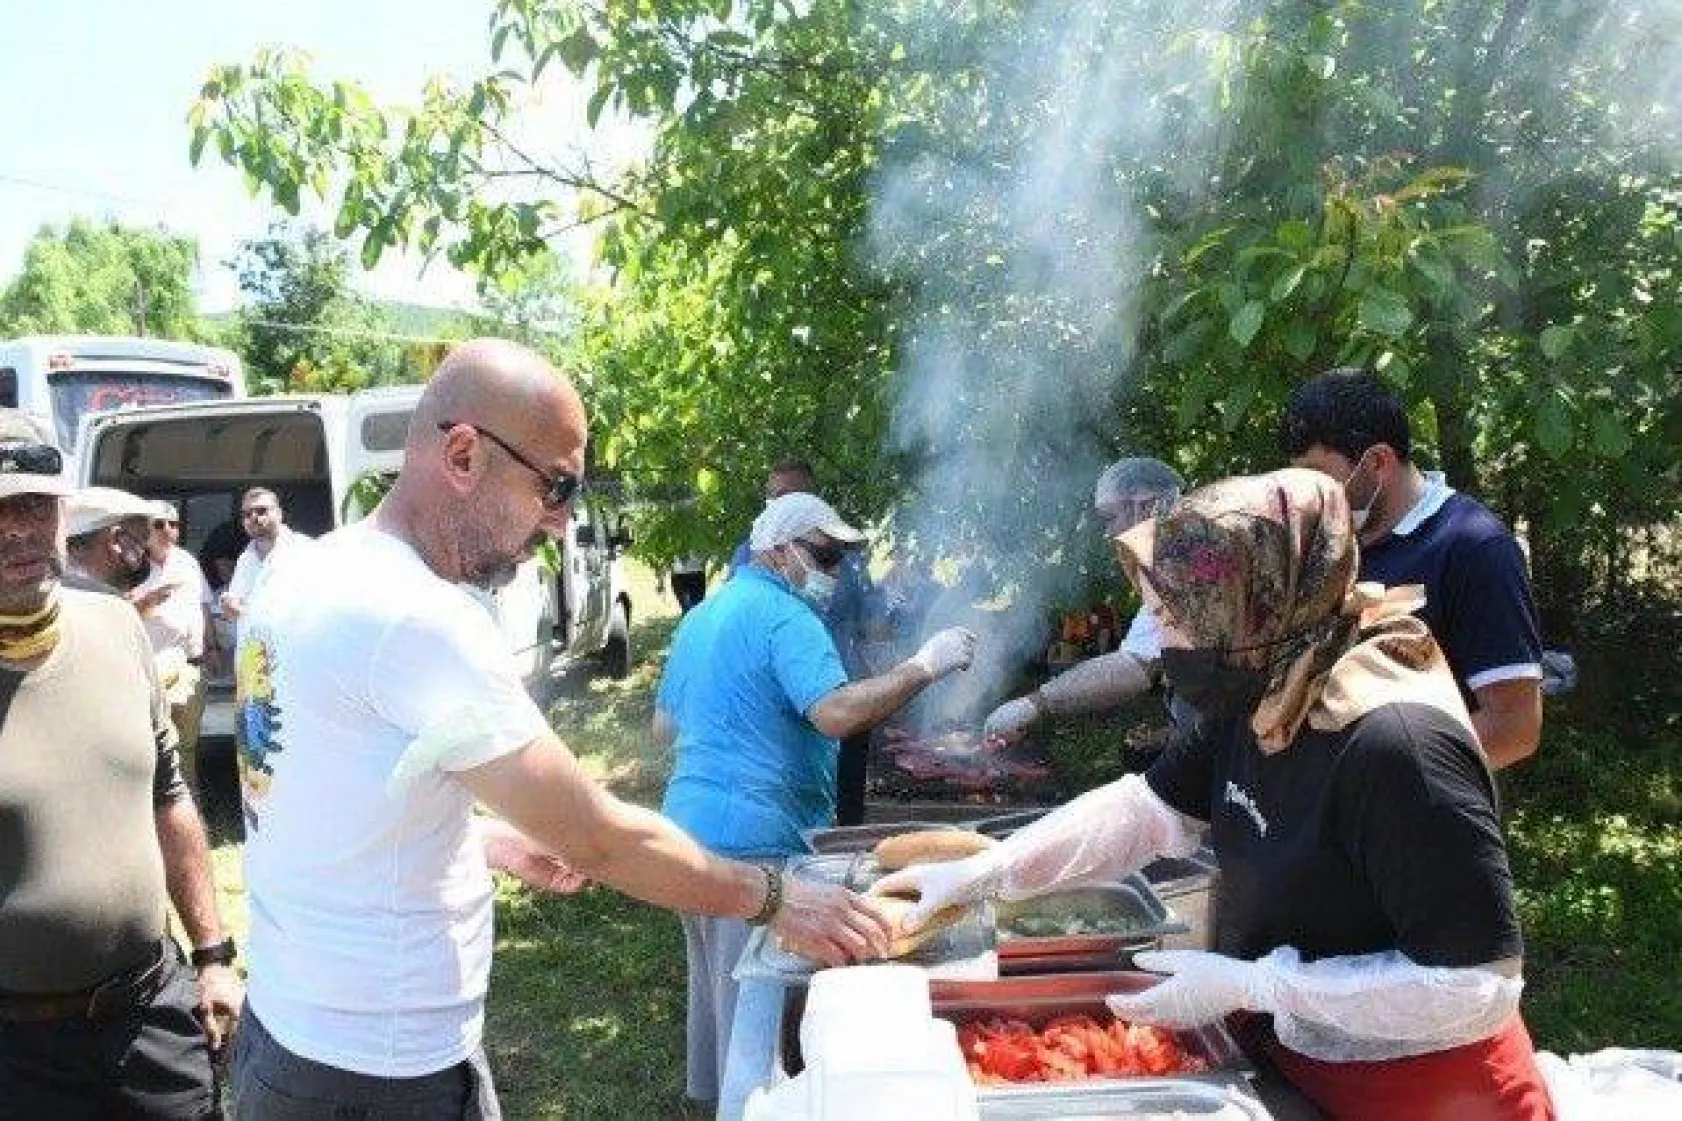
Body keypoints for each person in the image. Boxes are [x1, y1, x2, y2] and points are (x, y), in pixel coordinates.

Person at [228, 340, 891, 1120]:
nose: (562, 520)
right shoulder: (419, 616)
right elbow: (599, 835)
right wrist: (777, 896)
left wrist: (482, 841)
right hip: (381, 1075)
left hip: (284, 1041)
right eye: (555, 484)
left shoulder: (304, 572)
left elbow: (320, 795)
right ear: (465, 454)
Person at [878, 469, 1555, 1121]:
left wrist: (1261, 984)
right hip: (1294, 1058)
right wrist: (987, 870)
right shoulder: (1261, 684)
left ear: (1257, 601)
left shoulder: (1397, 743)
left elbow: (1476, 985)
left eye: (1180, 614)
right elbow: (1144, 808)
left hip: (1429, 1092)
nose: (1165, 637)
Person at [656, 492, 979, 1120]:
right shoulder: (786, 617)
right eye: (825, 554)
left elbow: (665, 727)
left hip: (685, 838)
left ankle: (717, 1101)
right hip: (756, 846)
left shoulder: (706, 612)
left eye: (841, 557)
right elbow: (834, 714)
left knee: (718, 996)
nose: (835, 570)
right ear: (779, 550)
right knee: (756, 1016)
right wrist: (925, 665)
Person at [0, 410, 242, 1120]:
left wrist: (213, 952)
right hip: (16, 1056)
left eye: (33, 505)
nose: (16, 527)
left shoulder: (113, 622)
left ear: (63, 511)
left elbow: (169, 793)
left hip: (151, 1019)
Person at [1280, 367, 1544, 769]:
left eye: (1320, 479)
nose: (1310, 499)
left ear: (1377, 463)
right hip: (1327, 814)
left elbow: (1514, 729)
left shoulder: (1474, 547)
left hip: (1423, 817)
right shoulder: (1327, 541)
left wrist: (1377, 784)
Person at [982, 457, 1188, 743]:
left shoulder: (1186, 567)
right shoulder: (1185, 556)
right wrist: (1169, 736)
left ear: (1144, 505)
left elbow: (1135, 668)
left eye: (1110, 517)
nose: (1109, 532)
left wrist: (1034, 704)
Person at [730, 458, 879, 825]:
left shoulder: (845, 557)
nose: (787, 502)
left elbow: (869, 622)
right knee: (799, 805)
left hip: (846, 694)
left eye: (796, 494)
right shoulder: (751, 558)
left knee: (846, 811)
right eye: (777, 495)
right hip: (790, 708)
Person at [134, 501, 212, 795]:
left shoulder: (188, 561)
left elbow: (202, 605)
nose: (167, 530)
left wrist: (213, 646)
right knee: (156, 747)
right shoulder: (134, 566)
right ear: (145, 530)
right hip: (153, 672)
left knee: (188, 745)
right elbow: (118, 614)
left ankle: (190, 806)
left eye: (173, 524)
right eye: (159, 524)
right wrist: (147, 601)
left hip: (191, 667)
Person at [220, 487, 305, 622]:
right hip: (253, 642)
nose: (254, 517)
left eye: (261, 511)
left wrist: (244, 613)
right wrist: (230, 608)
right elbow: (238, 611)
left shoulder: (303, 549)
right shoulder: (245, 559)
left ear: (279, 514)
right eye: (247, 514)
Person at [63, 485, 158, 595]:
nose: (141, 560)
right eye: (138, 545)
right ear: (116, 541)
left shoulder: (49, 598)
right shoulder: (106, 607)